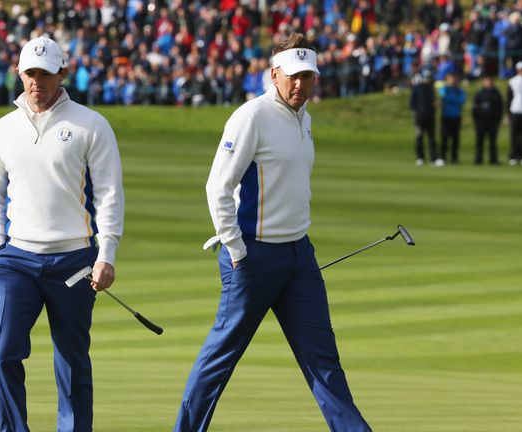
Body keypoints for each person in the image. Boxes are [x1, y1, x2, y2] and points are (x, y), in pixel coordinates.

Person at [174, 33, 371, 432]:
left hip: (299, 256)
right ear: (274, 74)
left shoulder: (305, 118)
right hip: (253, 256)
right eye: (293, 76)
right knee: (220, 359)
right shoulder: (251, 116)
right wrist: (235, 248)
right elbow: (218, 187)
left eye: (308, 77)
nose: (301, 85)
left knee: (323, 360)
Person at [0, 35, 124, 432]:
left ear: (62, 73)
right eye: (30, 73)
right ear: (19, 73)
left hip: (75, 259)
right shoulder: (1, 130)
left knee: (72, 360)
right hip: (17, 260)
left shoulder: (91, 125)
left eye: (45, 73)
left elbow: (110, 195)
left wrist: (106, 254)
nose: (36, 82)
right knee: (4, 352)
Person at [471, 75, 503, 165]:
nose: (488, 83)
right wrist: (476, 119)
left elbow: (500, 108)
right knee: (479, 141)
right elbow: (475, 108)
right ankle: (478, 159)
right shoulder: (479, 93)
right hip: (481, 121)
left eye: (490, 81)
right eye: (486, 81)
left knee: (492, 141)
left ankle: (493, 159)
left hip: (493, 121)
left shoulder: (496, 93)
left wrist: (498, 119)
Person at [410, 67, 438, 166]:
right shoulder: (417, 88)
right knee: (420, 137)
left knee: (432, 138)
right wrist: (415, 115)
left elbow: (433, 101)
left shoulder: (431, 88)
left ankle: (433, 158)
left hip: (430, 116)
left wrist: (435, 105)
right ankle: (420, 157)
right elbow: (412, 104)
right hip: (420, 116)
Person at [438, 72, 466, 165]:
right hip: (446, 116)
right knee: (444, 138)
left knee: (455, 139)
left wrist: (449, 99)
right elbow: (441, 97)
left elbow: (461, 101)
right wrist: (451, 99)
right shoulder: (444, 89)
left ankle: (454, 158)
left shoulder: (459, 90)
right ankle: (442, 157)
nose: (452, 80)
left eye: (454, 79)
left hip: (456, 116)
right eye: (450, 79)